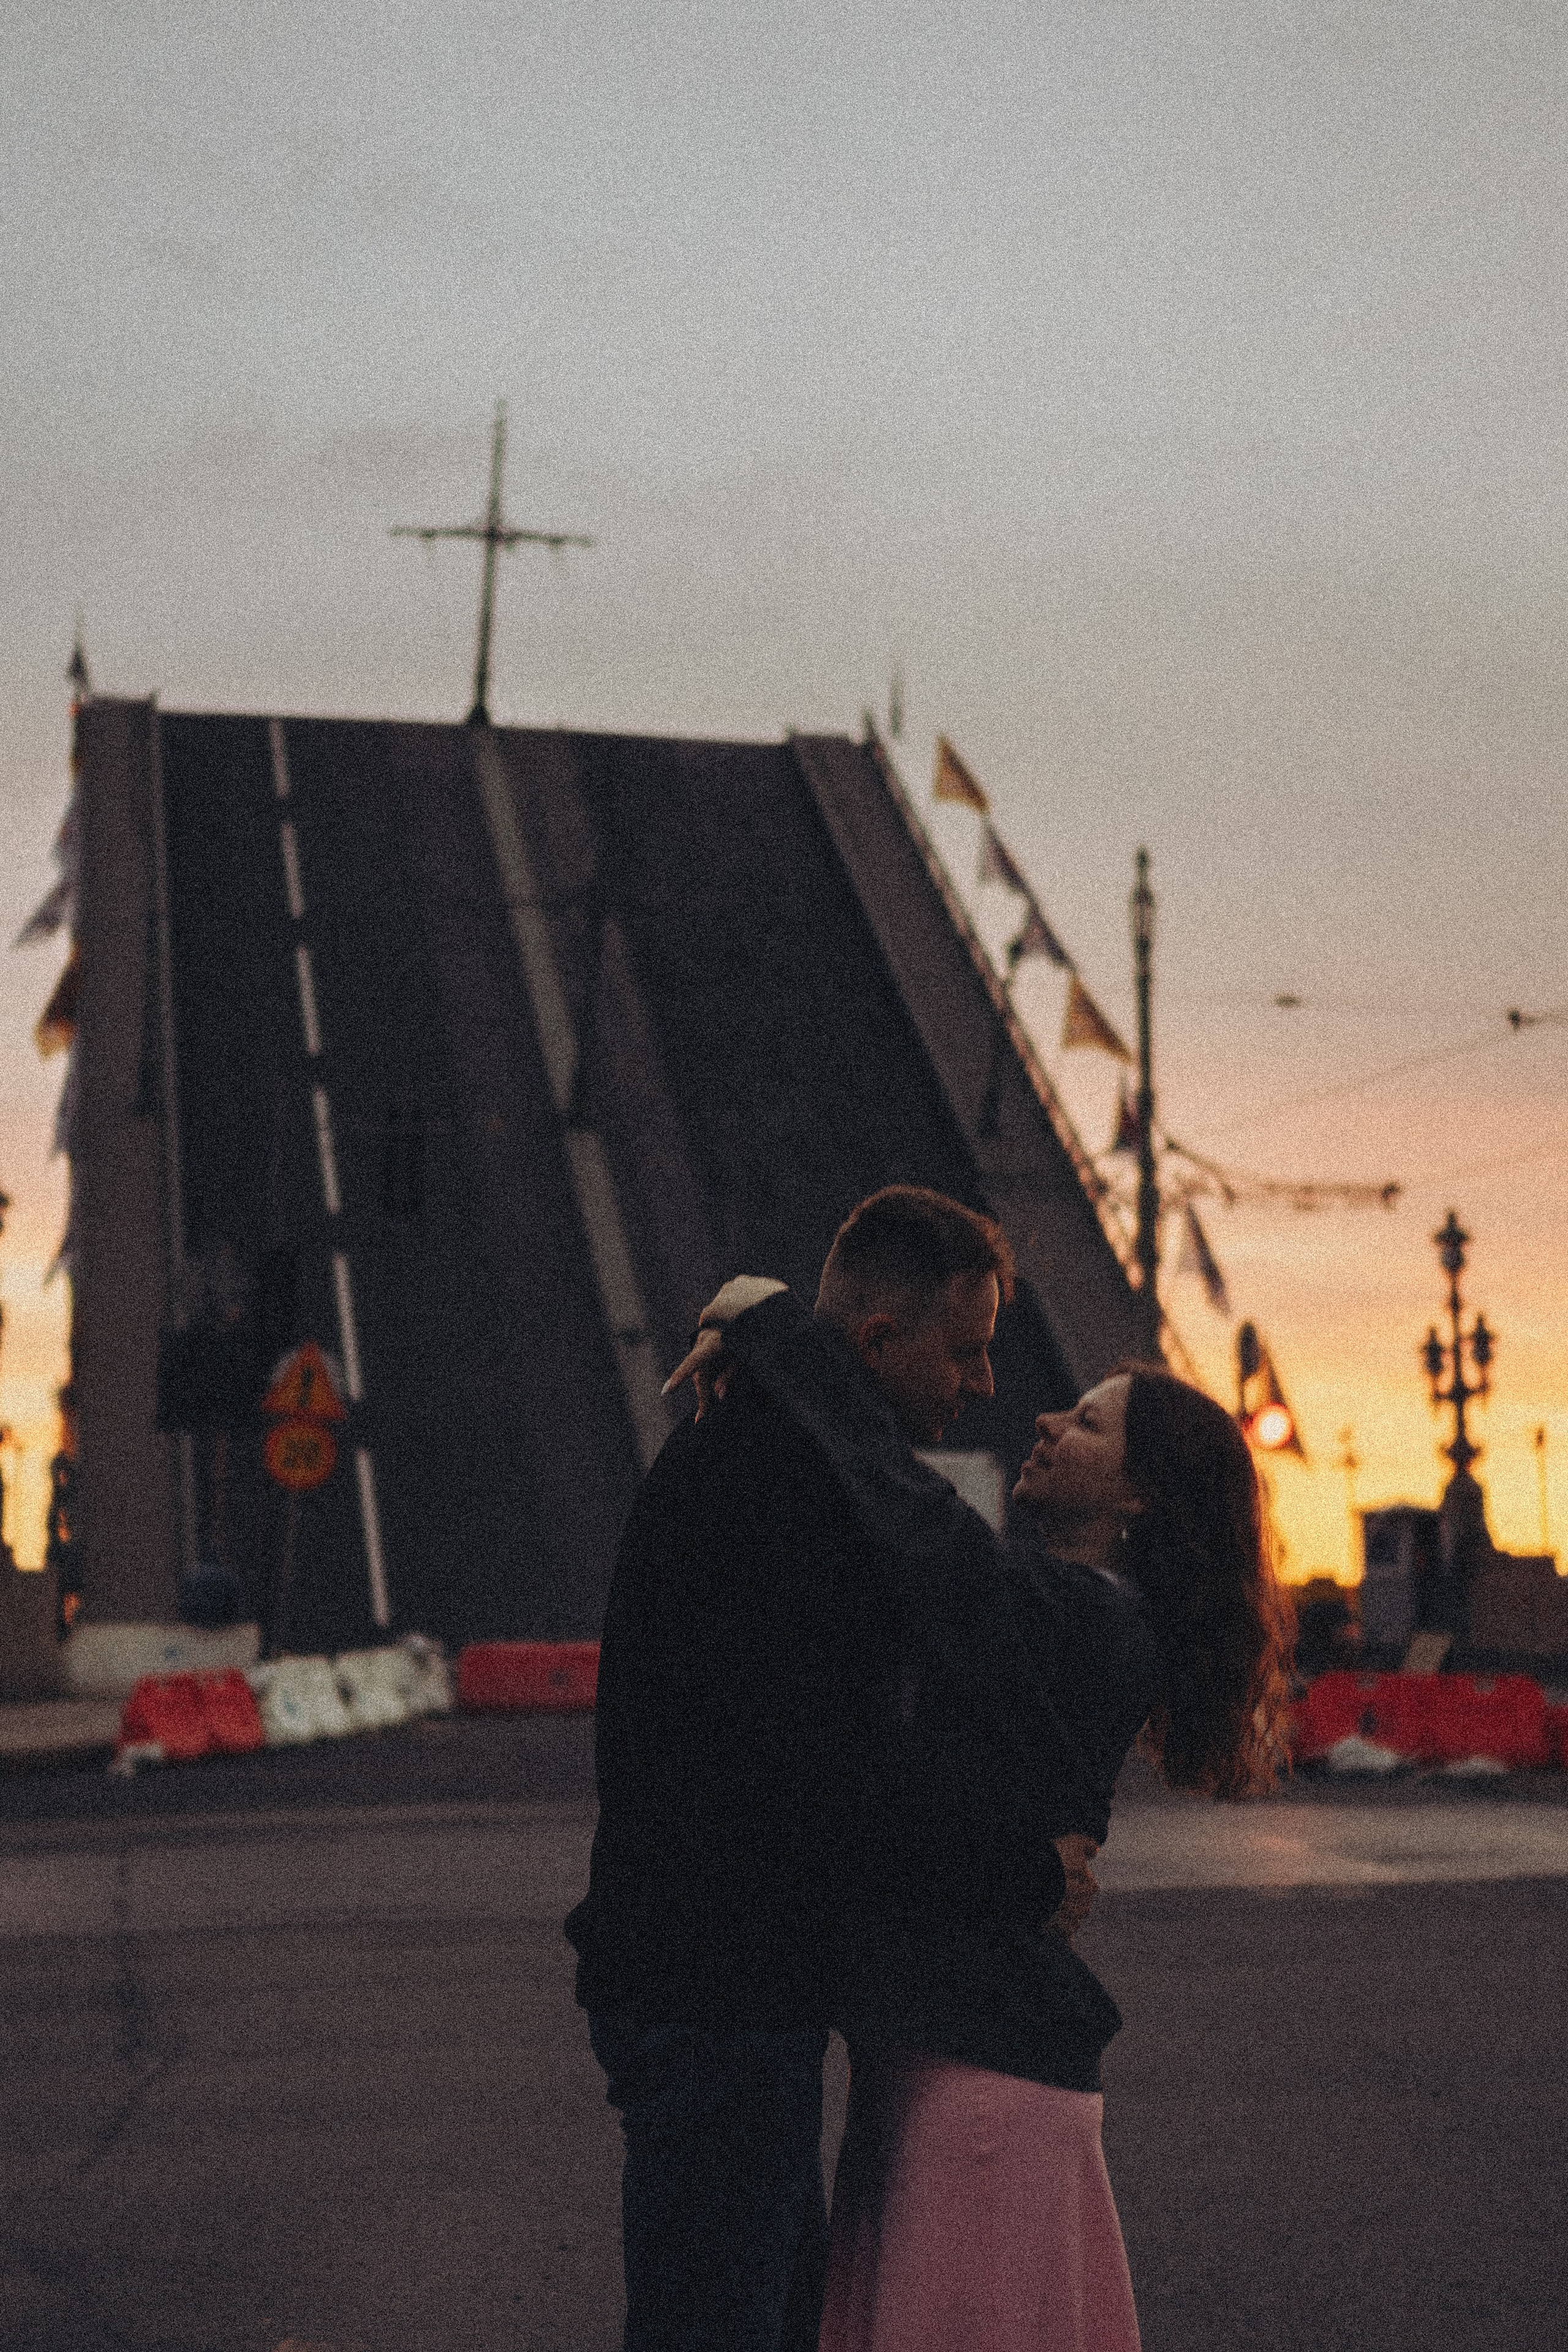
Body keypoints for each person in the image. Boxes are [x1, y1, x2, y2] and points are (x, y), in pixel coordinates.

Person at [677, 1284, 1292, 2352]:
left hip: (979, 2095)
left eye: (1090, 1423)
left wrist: (786, 1334)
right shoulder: (1060, 1614)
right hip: (942, 2075)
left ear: (1140, 1497)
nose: (1047, 1421)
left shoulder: (1088, 1620)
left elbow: (915, 1529)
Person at [565, 1188, 1072, 2352]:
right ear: (879, 1341)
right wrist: (1024, 1875)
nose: (988, 1384)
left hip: (711, 1981)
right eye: (967, 1350)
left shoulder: (763, 1451)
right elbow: (818, 1788)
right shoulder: (791, 1491)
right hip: (720, 1995)